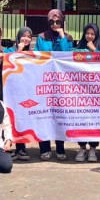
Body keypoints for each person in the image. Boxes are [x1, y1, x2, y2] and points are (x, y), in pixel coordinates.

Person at [34, 9, 72, 161]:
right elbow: (36, 56)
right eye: (52, 22)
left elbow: (67, 55)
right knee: (43, 115)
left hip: (60, 83)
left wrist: (62, 37)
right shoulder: (41, 37)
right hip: (44, 82)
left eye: (58, 22)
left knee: (59, 115)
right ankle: (44, 148)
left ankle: (60, 148)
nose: (55, 24)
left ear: (62, 22)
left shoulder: (67, 38)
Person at [73, 23, 100, 161]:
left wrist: (95, 50)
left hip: (96, 90)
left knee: (94, 119)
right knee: (81, 118)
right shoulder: (80, 46)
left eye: (93, 34)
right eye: (87, 33)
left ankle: (93, 148)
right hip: (80, 89)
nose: (90, 36)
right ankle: (82, 148)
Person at [4, 27, 34, 161]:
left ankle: (21, 148)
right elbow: (9, 64)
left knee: (22, 119)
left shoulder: (32, 53)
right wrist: (19, 51)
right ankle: (9, 146)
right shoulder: (9, 50)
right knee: (10, 118)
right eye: (24, 36)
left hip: (25, 90)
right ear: (18, 37)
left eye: (29, 37)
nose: (26, 39)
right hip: (11, 90)